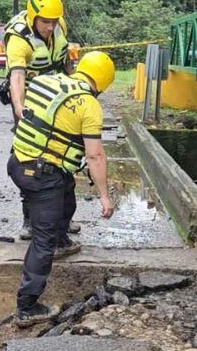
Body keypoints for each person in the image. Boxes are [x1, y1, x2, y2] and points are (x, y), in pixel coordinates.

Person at [7, 51, 117, 326]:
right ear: (102, 82)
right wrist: (105, 196)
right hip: (42, 177)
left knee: (66, 190)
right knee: (41, 243)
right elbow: (94, 156)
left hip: (17, 162)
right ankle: (26, 306)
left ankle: (61, 239)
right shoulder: (88, 105)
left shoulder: (47, 80)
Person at [2, 0, 81, 241]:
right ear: (33, 17)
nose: (50, 26)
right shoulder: (18, 38)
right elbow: (16, 77)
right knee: (31, 161)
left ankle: (63, 219)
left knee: (64, 155)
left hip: (57, 99)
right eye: (45, 22)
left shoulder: (59, 26)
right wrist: (20, 112)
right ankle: (30, 219)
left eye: (53, 21)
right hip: (30, 101)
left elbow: (66, 63)